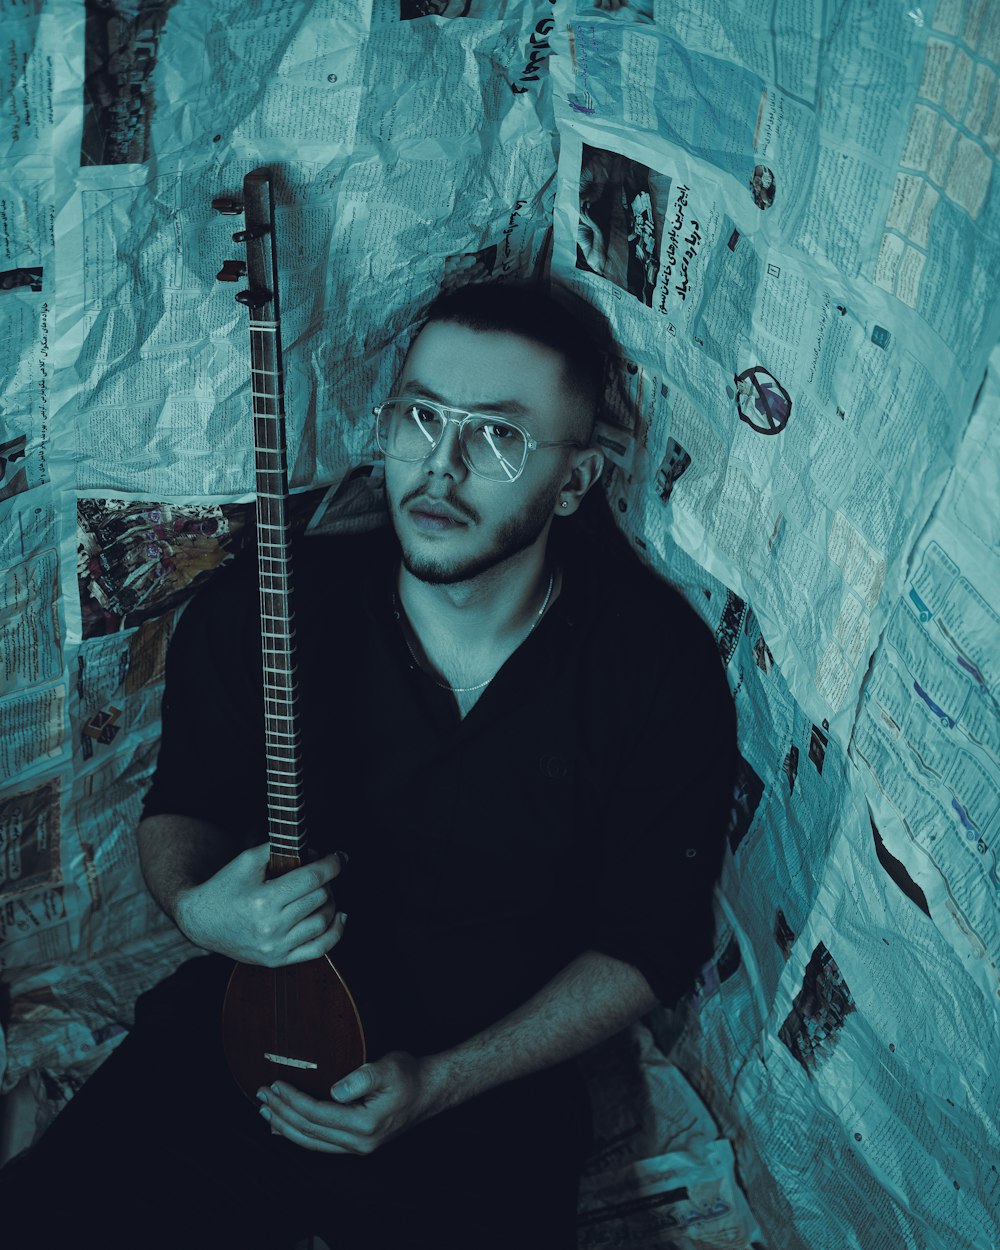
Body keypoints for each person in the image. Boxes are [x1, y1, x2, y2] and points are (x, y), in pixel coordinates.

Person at [1, 281, 736, 1249]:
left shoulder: (653, 668)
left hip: (483, 1077)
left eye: (499, 435)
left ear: (573, 481)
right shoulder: (261, 610)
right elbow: (184, 806)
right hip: (252, 1028)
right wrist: (195, 906)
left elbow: (647, 944)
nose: (441, 463)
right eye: (420, 415)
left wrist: (439, 1083)